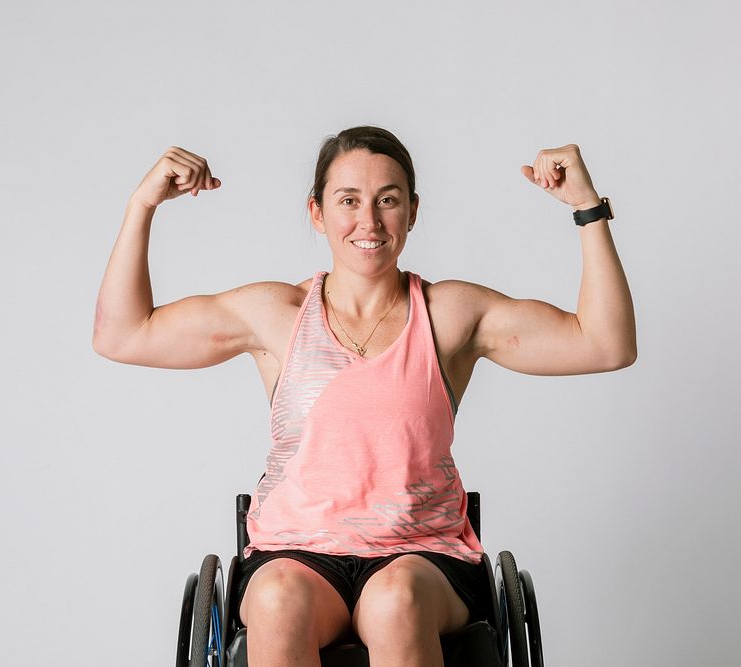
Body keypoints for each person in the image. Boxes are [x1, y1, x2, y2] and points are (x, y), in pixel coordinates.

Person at [92, 126, 636, 667]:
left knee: (394, 601)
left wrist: (587, 208)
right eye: (348, 200)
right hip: (296, 551)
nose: (368, 221)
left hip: (422, 557)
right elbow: (123, 334)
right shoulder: (275, 316)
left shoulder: (449, 316)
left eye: (388, 201)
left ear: (413, 212)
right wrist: (143, 204)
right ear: (317, 212)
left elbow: (605, 344)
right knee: (278, 600)